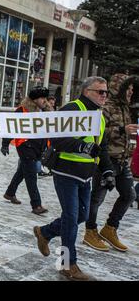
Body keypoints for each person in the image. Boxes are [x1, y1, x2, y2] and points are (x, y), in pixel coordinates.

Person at [33, 76, 114, 281]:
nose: (104, 96)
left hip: (86, 175)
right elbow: (57, 139)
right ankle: (67, 264)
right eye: (100, 92)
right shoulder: (73, 108)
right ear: (87, 92)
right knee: (71, 216)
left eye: (106, 93)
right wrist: (82, 146)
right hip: (66, 171)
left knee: (81, 216)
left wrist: (107, 171)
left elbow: (101, 148)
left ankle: (45, 232)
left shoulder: (99, 116)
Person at [83, 74, 139, 252]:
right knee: (97, 198)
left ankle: (110, 229)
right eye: (128, 89)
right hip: (107, 160)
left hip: (122, 160)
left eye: (132, 89)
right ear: (119, 89)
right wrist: (122, 130)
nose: (131, 92)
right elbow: (97, 132)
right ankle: (90, 231)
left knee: (129, 195)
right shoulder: (105, 107)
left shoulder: (125, 108)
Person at [1, 87, 49, 215]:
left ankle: (9, 193)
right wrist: (5, 143)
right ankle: (36, 205)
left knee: (22, 171)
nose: (45, 101)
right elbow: (10, 127)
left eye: (45, 98)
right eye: (42, 98)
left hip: (38, 147)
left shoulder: (44, 111)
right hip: (25, 146)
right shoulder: (22, 111)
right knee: (31, 176)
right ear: (34, 99)